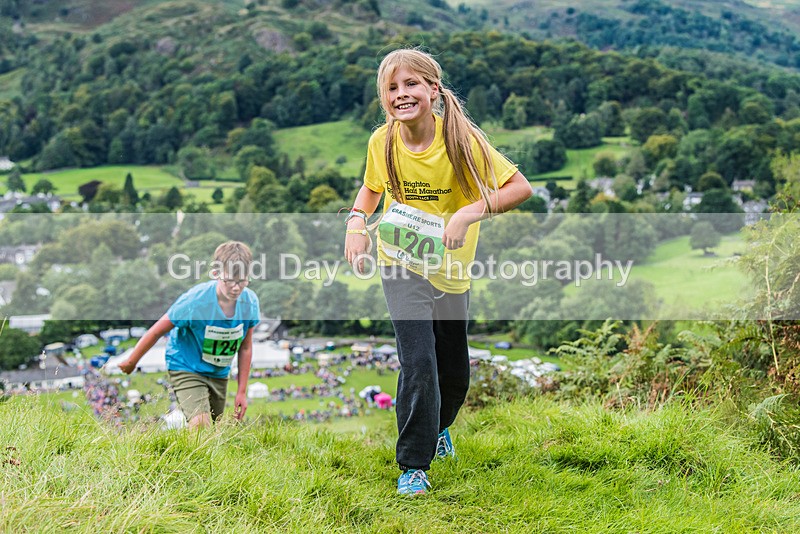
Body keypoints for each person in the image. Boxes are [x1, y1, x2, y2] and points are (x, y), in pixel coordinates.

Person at [343, 48, 533, 495]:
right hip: (400, 262)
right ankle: (414, 466)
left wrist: (467, 214)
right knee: (418, 362)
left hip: (450, 270)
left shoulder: (461, 140)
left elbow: (518, 188)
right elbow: (371, 188)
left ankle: (439, 427)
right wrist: (355, 223)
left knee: (454, 372)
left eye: (411, 84)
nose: (401, 94)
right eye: (391, 88)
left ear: (433, 89)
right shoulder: (382, 141)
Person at [119, 241, 260, 429]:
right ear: (216, 274)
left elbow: (246, 347)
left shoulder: (250, 303)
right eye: (229, 281)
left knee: (213, 429)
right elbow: (157, 330)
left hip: (219, 372)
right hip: (186, 365)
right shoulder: (194, 302)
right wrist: (131, 361)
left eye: (242, 281)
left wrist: (242, 392)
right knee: (201, 426)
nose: (236, 288)